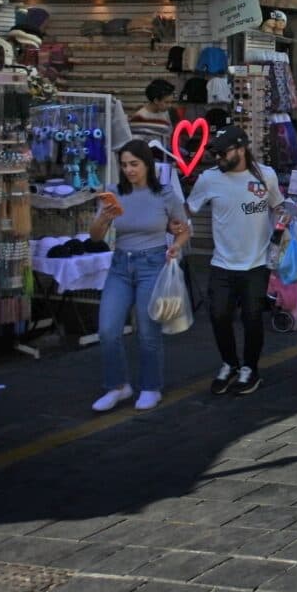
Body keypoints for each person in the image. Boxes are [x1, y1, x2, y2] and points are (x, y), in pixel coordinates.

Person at [89, 140, 191, 412]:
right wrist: (102, 218)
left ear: (147, 164)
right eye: (124, 165)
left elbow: (183, 229)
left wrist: (176, 246)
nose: (129, 170)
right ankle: (118, 386)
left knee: (148, 331)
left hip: (153, 262)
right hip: (121, 263)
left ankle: (151, 386)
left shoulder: (165, 194)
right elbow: (96, 237)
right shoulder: (113, 192)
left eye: (134, 164)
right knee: (108, 330)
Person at [188, 127, 283, 397]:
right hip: (222, 263)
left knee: (252, 318)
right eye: (215, 153)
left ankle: (250, 369)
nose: (218, 158)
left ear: (241, 149)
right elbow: (189, 208)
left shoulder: (266, 175)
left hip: (256, 263)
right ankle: (229, 363)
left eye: (223, 152)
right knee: (219, 316)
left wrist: (286, 216)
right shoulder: (209, 179)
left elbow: (278, 205)